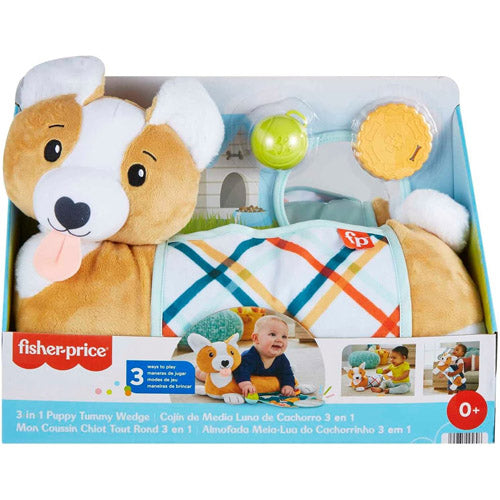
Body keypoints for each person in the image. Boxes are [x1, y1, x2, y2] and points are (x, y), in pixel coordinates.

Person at [233, 315, 300, 397]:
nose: (279, 340)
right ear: (256, 338)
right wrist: (246, 384)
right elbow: (240, 372)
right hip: (253, 384)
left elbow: (287, 374)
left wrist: (288, 386)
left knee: (288, 372)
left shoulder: (281, 358)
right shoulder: (248, 357)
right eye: (272, 334)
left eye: (284, 336)